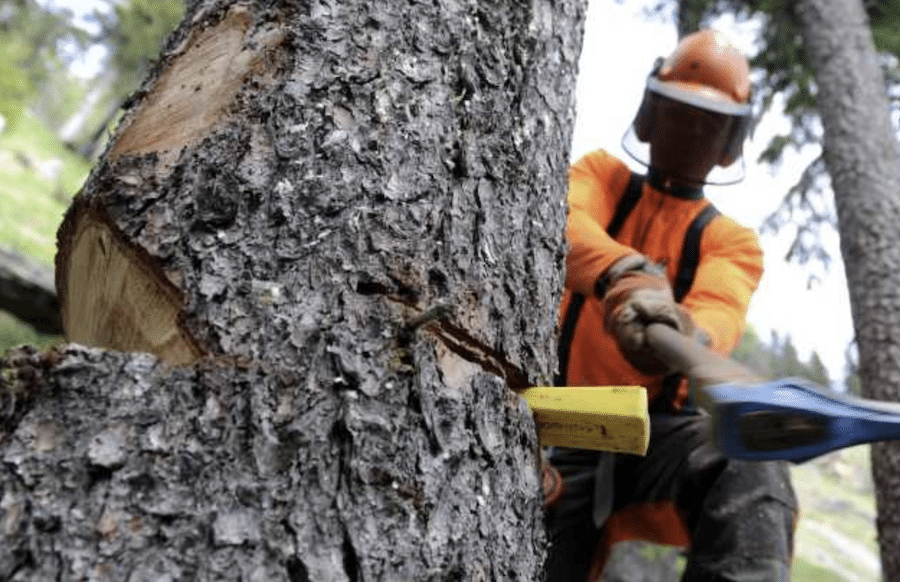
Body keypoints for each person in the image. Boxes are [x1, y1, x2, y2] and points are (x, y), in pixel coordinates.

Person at [544, 29, 797, 581]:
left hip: (650, 441)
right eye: (678, 113)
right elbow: (562, 221)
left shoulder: (731, 241)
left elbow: (719, 312)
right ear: (649, 115)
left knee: (750, 465)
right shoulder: (601, 176)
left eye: (710, 124)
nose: (691, 133)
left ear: (731, 140)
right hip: (550, 421)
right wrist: (624, 275)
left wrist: (680, 331)